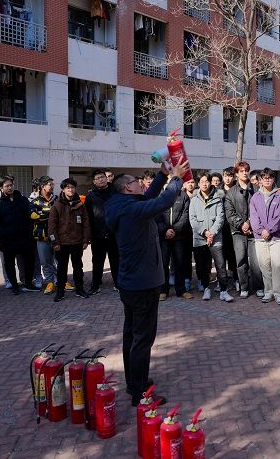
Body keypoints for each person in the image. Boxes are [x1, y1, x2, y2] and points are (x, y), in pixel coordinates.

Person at [104, 160, 187, 406]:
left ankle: (135, 381)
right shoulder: (131, 210)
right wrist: (176, 178)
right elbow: (162, 202)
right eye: (135, 181)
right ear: (127, 188)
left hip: (131, 282)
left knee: (132, 335)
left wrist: (162, 175)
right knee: (142, 338)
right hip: (143, 284)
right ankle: (139, 393)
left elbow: (149, 197)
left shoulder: (121, 204)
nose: (140, 183)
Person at [0, 175, 41, 295]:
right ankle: (14, 286)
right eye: (6, 186)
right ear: (1, 188)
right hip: (7, 239)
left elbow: (30, 218)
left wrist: (30, 234)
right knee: (9, 264)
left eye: (11, 185)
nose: (9, 188)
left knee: (29, 261)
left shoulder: (23, 200)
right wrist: (0, 233)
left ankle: (28, 283)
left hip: (25, 238)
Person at [189, 173, 232, 301]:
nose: (204, 184)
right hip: (200, 238)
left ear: (210, 182)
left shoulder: (218, 198)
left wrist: (212, 232)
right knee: (202, 265)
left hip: (215, 237)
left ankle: (224, 290)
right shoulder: (194, 200)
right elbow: (192, 219)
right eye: (202, 181)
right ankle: (206, 288)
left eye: (207, 181)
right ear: (198, 183)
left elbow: (220, 217)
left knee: (220, 265)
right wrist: (205, 232)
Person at [224, 161, 263, 299]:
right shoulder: (231, 192)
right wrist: (241, 224)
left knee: (256, 262)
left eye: (246, 170)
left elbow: (260, 210)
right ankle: (244, 287)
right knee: (240, 261)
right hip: (237, 232)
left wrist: (250, 223)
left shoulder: (256, 190)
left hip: (254, 231)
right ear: (236, 173)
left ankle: (258, 287)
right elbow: (229, 213)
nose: (244, 173)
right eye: (241, 171)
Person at [49, 178, 90, 302]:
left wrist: (85, 240)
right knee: (61, 269)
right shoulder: (57, 206)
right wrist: (55, 242)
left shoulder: (80, 205)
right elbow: (51, 227)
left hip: (77, 242)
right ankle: (60, 291)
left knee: (78, 267)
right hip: (62, 244)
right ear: (63, 189)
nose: (70, 190)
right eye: (68, 188)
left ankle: (80, 289)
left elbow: (86, 224)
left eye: (72, 187)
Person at [249, 167, 280, 305]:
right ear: (260, 180)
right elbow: (254, 218)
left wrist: (269, 230)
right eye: (264, 177)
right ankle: (268, 292)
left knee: (277, 265)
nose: (267, 180)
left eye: (270, 177)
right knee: (264, 266)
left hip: (276, 237)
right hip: (260, 237)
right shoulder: (255, 197)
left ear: (273, 179)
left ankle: (278, 293)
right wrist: (261, 231)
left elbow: (279, 218)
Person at [156, 174, 193, 300]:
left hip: (179, 236)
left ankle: (181, 290)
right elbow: (156, 216)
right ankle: (163, 290)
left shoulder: (184, 196)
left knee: (180, 263)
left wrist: (175, 230)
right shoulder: (160, 196)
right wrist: (165, 230)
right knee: (164, 263)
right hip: (163, 236)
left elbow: (185, 215)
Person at [85, 169, 119, 295]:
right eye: (98, 178)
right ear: (94, 182)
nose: (101, 180)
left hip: (114, 233)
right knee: (97, 261)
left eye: (102, 177)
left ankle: (118, 283)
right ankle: (95, 284)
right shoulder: (91, 196)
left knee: (116, 260)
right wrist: (88, 235)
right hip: (97, 234)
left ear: (107, 178)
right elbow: (87, 216)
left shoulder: (116, 192)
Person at [29, 176, 58, 295]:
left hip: (57, 236)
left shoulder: (57, 200)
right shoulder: (34, 201)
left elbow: (61, 216)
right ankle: (50, 282)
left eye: (52, 184)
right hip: (41, 236)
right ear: (42, 187)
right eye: (49, 184)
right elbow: (33, 216)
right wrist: (50, 214)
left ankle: (61, 280)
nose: (52, 186)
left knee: (60, 260)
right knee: (45, 261)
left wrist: (43, 213)